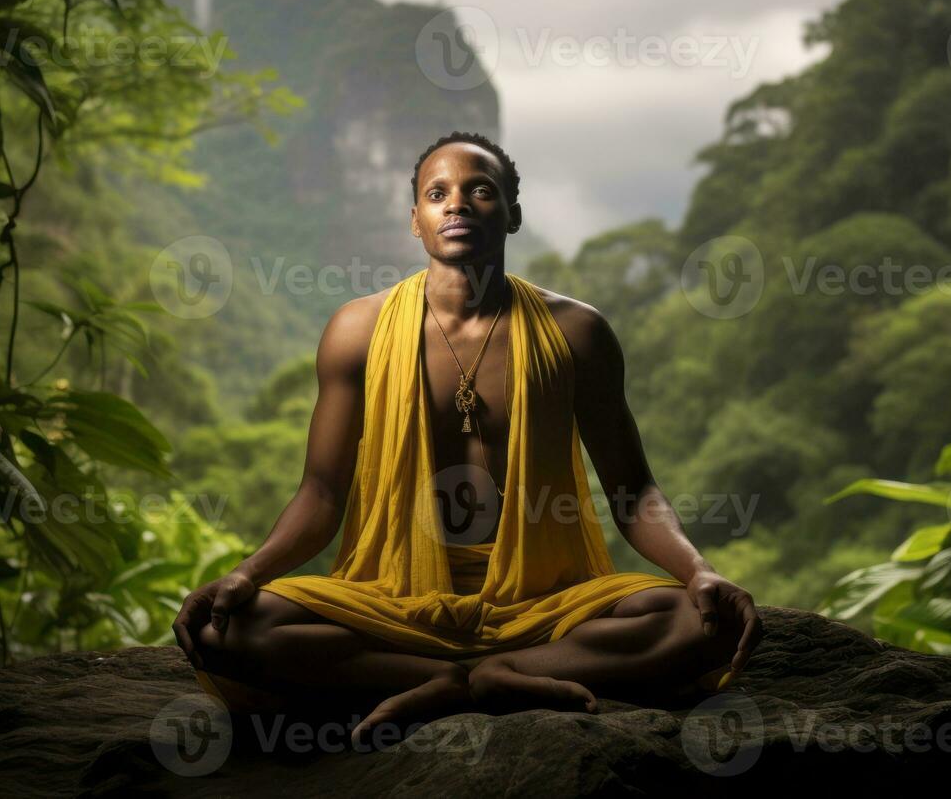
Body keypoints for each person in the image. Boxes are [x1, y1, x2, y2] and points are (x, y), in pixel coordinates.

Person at [173, 132, 763, 746]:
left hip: (544, 604)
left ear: (511, 212)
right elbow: (321, 493)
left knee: (703, 623)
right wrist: (247, 573)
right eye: (437, 193)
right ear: (416, 221)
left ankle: (482, 676)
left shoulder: (576, 334)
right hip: (391, 598)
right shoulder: (359, 330)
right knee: (226, 629)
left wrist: (698, 573)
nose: (456, 204)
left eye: (480, 190)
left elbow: (633, 491)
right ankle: (465, 681)